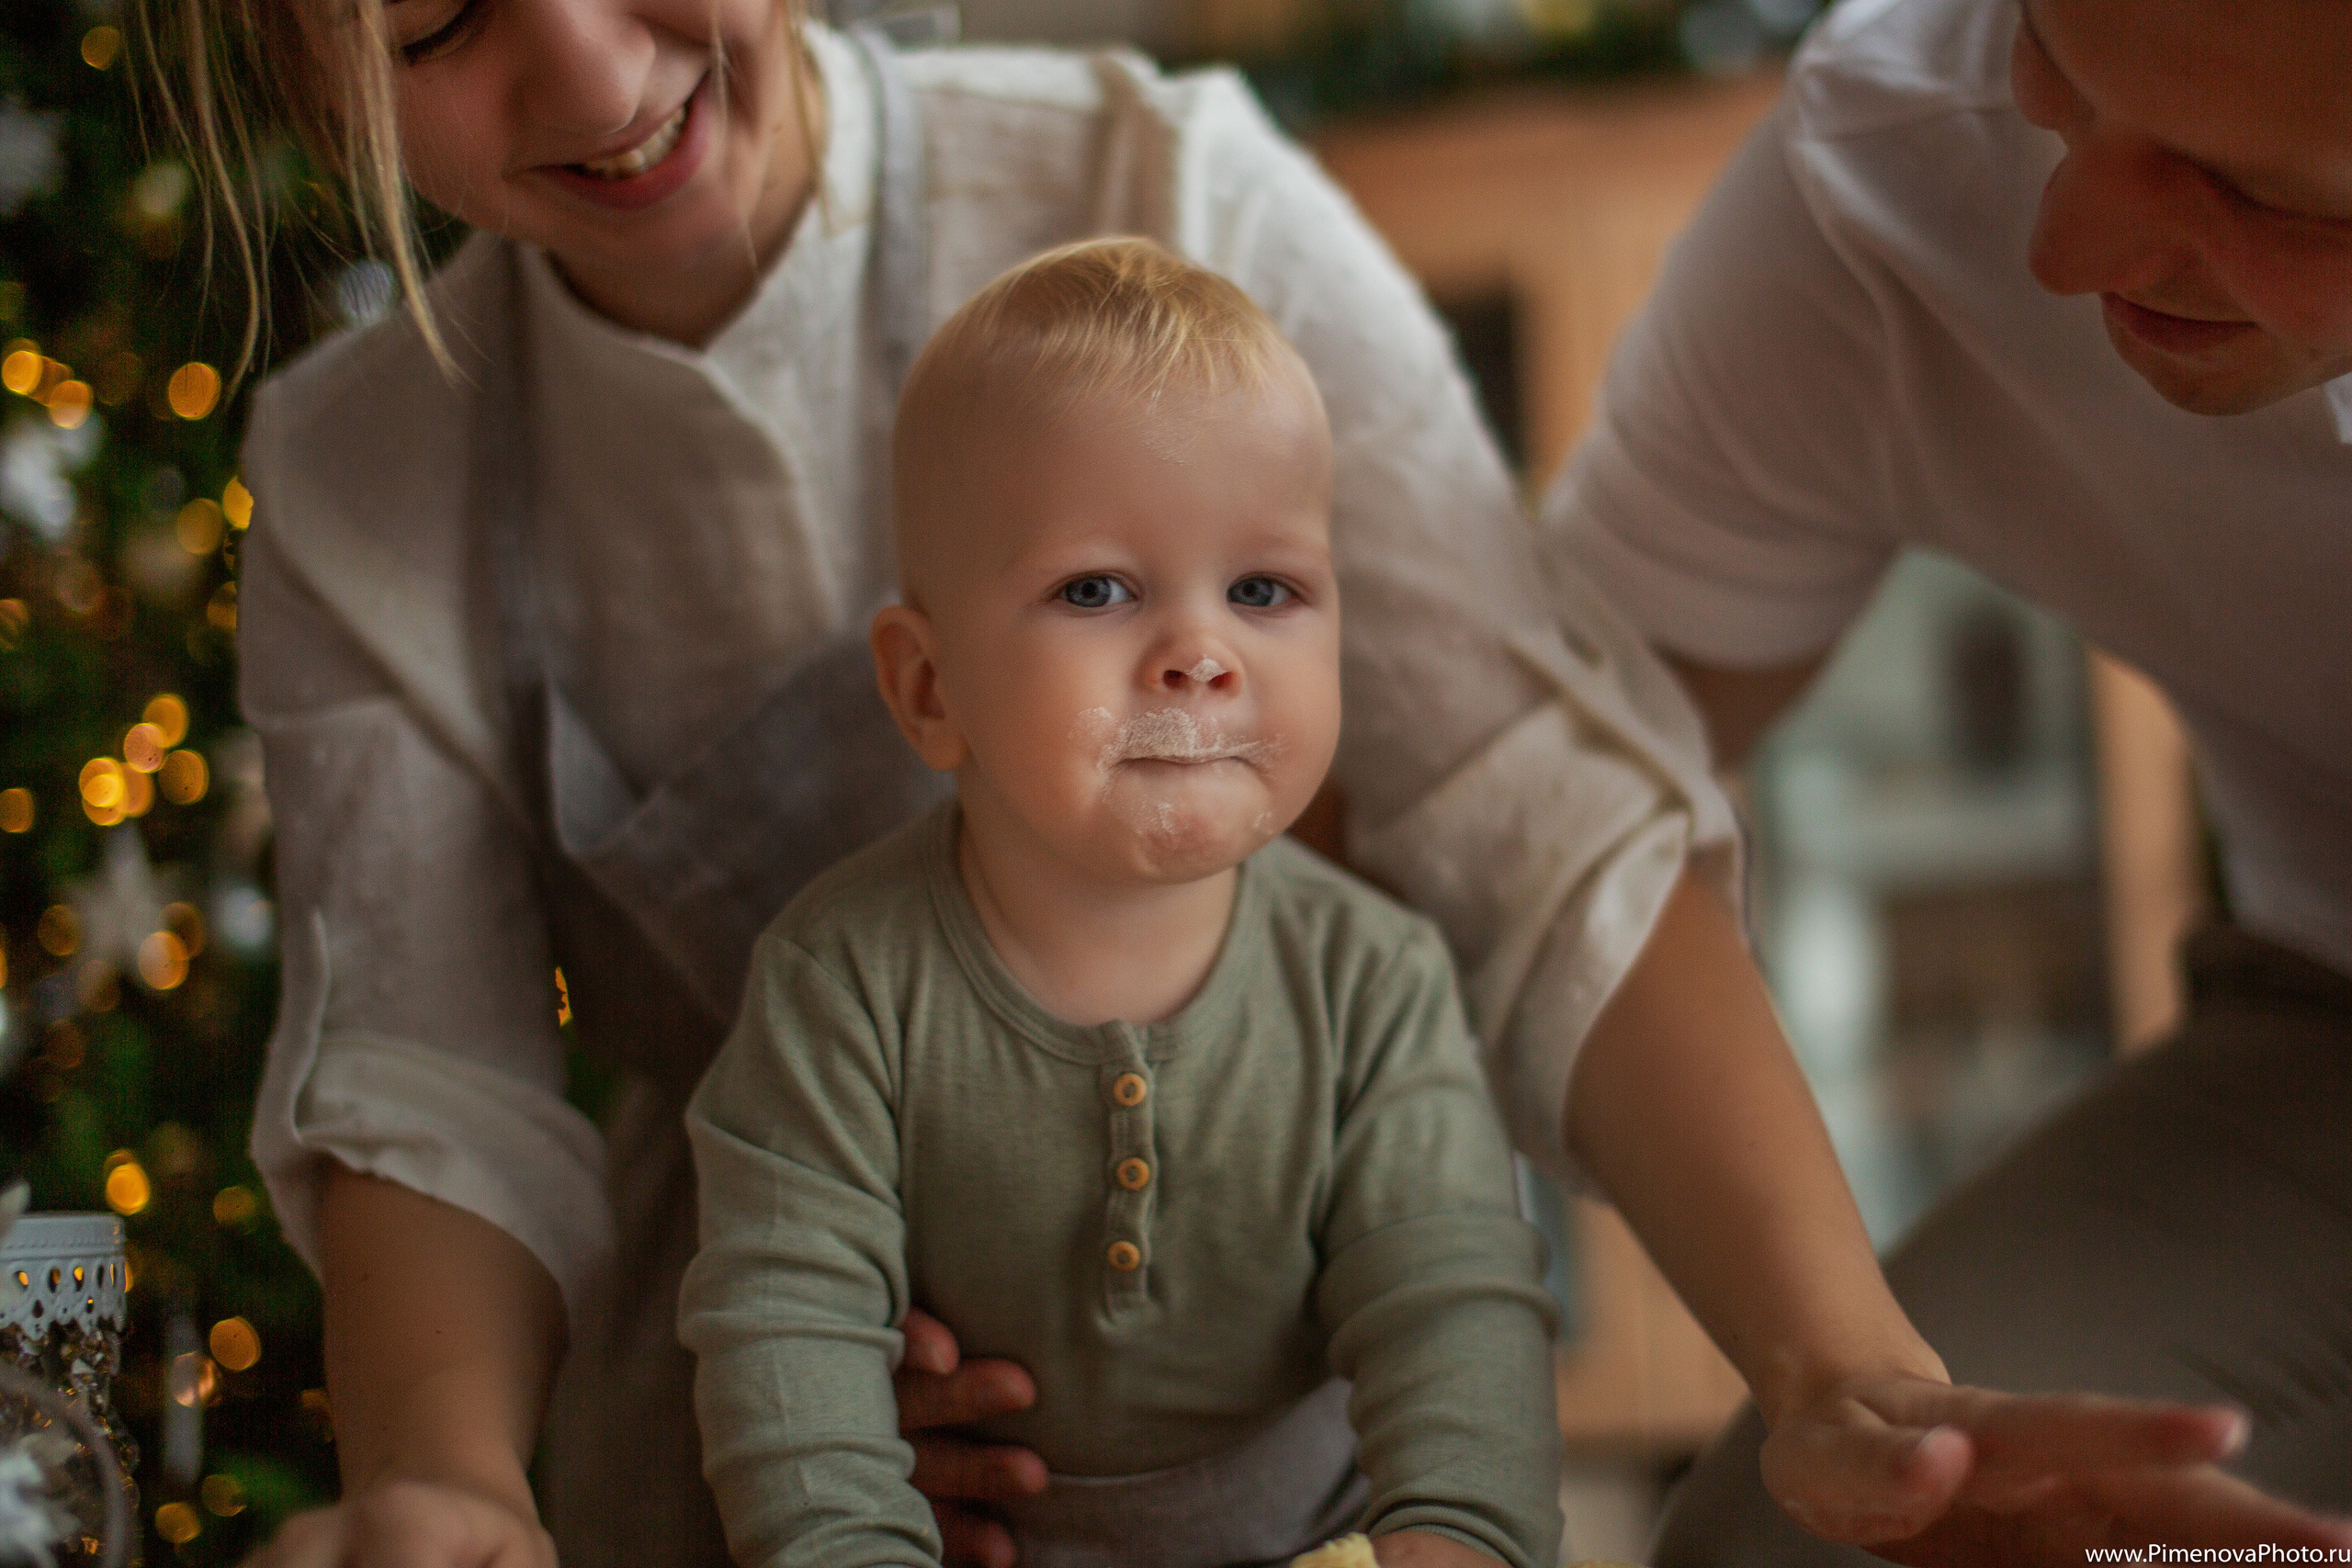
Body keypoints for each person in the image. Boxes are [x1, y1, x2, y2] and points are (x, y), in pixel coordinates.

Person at [143, 0, 2339, 1560]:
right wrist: (462, 1481)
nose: (597, 75)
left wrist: (1830, 1359)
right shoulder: (367, 474)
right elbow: (425, 1069)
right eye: (432, 26)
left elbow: (1526, 814)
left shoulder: (1157, 188)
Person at [1535, 0, 2352, 1560]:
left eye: (2258, 194)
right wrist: (1843, 1377)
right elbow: (1546, 791)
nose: (2064, 244)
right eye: (2060, 68)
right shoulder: (1887, 180)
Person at [679, 237, 1563, 1568]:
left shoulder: (1374, 979)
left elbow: (1448, 1304)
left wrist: (1457, 1540)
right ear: (929, 689)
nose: (1202, 656)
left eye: (1264, 590)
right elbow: (785, 1328)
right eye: (1097, 589)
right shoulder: (841, 982)